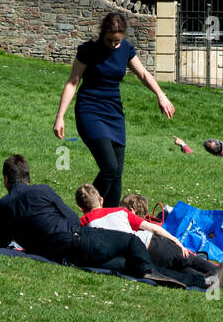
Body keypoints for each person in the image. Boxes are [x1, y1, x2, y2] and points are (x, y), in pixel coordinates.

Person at [0, 156, 192, 285]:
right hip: (77, 239)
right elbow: (70, 217)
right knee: (131, 242)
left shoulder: (1, 207)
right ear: (27, 177)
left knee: (128, 265)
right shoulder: (42, 191)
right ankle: (159, 272)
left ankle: (187, 279)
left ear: (6, 179)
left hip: (61, 256)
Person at [53, 11, 175, 207]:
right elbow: (72, 82)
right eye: (110, 40)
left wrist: (161, 95)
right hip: (89, 110)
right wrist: (60, 117)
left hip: (114, 113)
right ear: (103, 34)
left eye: (118, 41)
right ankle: (89, 209)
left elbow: (143, 74)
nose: (114, 45)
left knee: (117, 173)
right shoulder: (88, 50)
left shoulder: (125, 48)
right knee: (109, 167)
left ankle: (109, 217)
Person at [74, 183, 220, 289]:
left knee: (183, 271)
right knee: (193, 261)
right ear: (101, 200)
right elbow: (153, 228)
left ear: (81, 208)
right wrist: (175, 240)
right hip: (154, 244)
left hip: (143, 258)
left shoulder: (82, 226)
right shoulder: (119, 212)